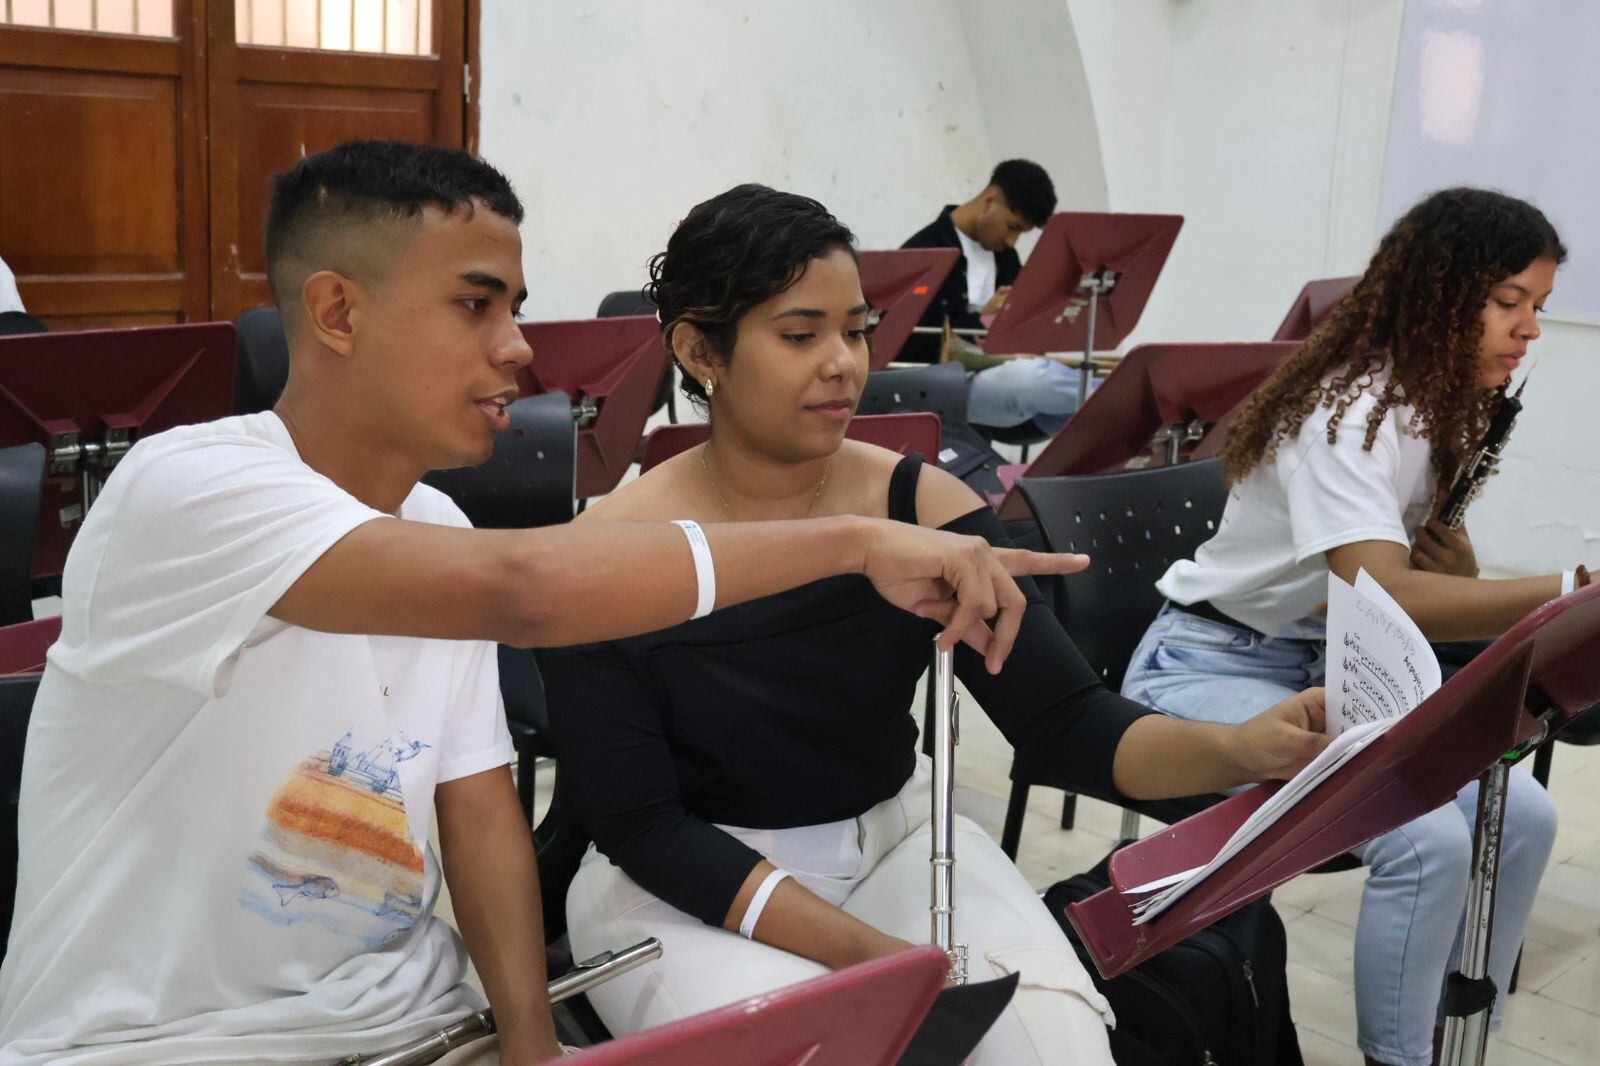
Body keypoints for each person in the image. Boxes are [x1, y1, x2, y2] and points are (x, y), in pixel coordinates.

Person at [0, 143, 1084, 1066]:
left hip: (408, 1021)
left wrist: (532, 1044)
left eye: (514, 307)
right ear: (336, 311)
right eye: (477, 305)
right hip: (162, 1041)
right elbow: (528, 591)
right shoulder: (188, 484)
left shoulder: (437, 525)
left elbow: (480, 812)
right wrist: (852, 540)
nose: (519, 347)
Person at [536, 183, 1333, 1066]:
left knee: (1056, 1046)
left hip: (895, 840)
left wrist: (1241, 750)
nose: (843, 362)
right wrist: (882, 967)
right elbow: (644, 829)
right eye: (800, 335)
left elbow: (1066, 725)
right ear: (698, 349)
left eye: (857, 328)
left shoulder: (924, 504)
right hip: (675, 889)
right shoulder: (604, 554)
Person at [1119, 187, 1575, 1066]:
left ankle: (1458, 1037)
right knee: (1427, 840)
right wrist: (1568, 588)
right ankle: (1398, 1058)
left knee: (1526, 817)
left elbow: (1426, 574)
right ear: (1438, 295)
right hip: (1205, 664)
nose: (1528, 332)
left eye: (1538, 309)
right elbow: (1380, 586)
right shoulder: (1352, 411)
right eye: (1508, 303)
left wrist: (1477, 576)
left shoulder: (1433, 401)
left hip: (1324, 666)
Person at [901, 160, 1080, 434]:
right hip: (941, 388)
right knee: (1032, 380)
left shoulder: (1007, 259)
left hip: (1000, 387)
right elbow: (910, 343)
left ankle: (1112, 405)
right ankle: (1113, 394)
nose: (1012, 241)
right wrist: (984, 318)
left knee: (1080, 418)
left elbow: (1027, 332)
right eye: (1013, 226)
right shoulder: (923, 250)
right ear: (990, 199)